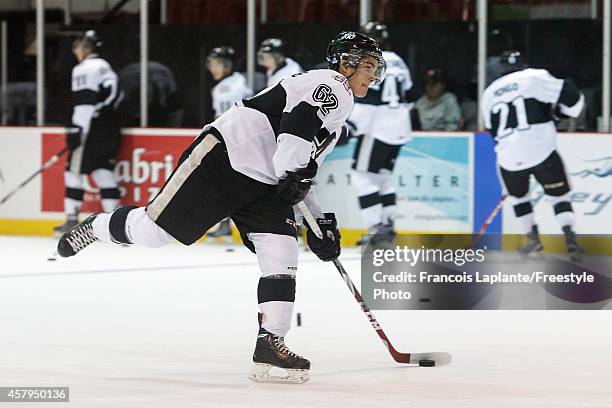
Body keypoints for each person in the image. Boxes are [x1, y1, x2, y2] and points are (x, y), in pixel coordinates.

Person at [56, 31, 385, 384]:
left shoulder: (336, 121)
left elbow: (299, 170)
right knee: (153, 233)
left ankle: (270, 343)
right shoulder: (331, 83)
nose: (373, 75)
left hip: (265, 180)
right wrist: (295, 180)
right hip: (225, 158)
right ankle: (98, 226)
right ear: (345, 64)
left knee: (282, 248)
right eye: (367, 66)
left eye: (375, 68)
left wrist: (320, 225)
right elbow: (296, 133)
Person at [481, 51, 585, 260]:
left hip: (508, 159)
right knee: (558, 196)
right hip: (541, 151)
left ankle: (532, 239)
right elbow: (575, 101)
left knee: (520, 198)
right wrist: (558, 113)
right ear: (523, 64)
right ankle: (570, 238)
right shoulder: (534, 76)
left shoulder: (489, 93)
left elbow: (493, 133)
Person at [348, 21, 413, 245]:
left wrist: (352, 125)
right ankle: (388, 227)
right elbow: (408, 92)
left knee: (361, 176)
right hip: (399, 127)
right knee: (383, 177)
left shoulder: (370, 61)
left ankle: (376, 228)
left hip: (378, 127)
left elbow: (371, 100)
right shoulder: (398, 61)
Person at [53, 31, 123, 235]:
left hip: (91, 126)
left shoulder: (84, 68)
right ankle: (114, 225)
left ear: (86, 47)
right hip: (110, 126)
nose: (75, 50)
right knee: (102, 171)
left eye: (77, 46)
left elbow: (86, 102)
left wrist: (77, 129)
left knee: (72, 172)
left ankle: (71, 220)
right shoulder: (105, 67)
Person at [205, 46, 253, 238]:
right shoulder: (223, 85)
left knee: (235, 183)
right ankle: (225, 222)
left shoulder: (236, 84)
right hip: (232, 139)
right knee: (225, 182)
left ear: (227, 65)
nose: (213, 69)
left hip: (238, 140)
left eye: (217, 64)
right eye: (211, 64)